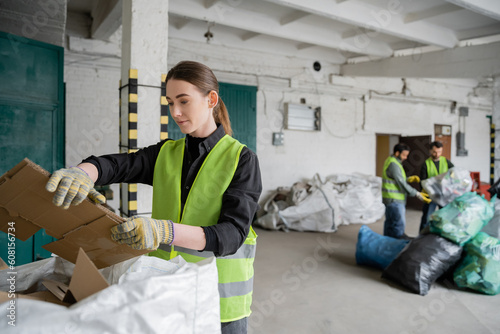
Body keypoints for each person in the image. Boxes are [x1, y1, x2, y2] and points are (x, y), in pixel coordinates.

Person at [45, 60, 262, 334]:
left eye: (183, 101)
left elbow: (231, 235)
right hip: (167, 293)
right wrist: (83, 173)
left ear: (211, 100)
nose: (176, 112)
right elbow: (117, 164)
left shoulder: (241, 160)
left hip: (220, 307)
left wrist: (163, 230)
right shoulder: (167, 154)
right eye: (170, 103)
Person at [382, 143, 431, 239]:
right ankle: (397, 245)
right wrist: (417, 193)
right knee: (398, 225)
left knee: (390, 224)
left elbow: (396, 178)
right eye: (404, 155)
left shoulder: (392, 161)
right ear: (397, 153)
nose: (406, 157)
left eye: (407, 155)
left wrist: (408, 179)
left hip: (390, 199)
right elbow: (402, 184)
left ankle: (387, 243)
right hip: (394, 200)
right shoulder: (394, 164)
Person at [419, 140, 454, 231]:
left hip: (444, 194)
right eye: (434, 152)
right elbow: (422, 181)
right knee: (427, 218)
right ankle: (421, 238)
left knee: (445, 217)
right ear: (430, 151)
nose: (437, 154)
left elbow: (454, 172)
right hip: (431, 195)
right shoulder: (426, 164)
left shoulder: (446, 161)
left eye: (439, 152)